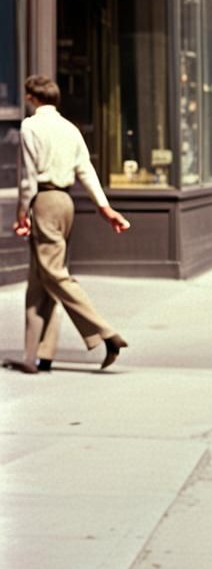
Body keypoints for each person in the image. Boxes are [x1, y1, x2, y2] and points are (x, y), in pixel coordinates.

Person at [5, 75, 130, 375]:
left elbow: (29, 177)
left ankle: (106, 333)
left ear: (31, 98)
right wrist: (104, 208)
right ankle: (37, 355)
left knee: (55, 275)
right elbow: (86, 170)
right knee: (40, 281)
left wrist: (22, 213)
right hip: (65, 203)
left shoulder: (31, 126)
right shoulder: (70, 128)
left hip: (45, 201)